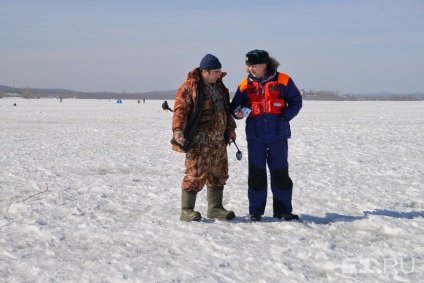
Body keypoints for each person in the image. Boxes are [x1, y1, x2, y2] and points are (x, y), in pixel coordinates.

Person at [230, 49, 302, 222]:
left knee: (280, 172)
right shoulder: (244, 85)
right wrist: (237, 113)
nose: (251, 69)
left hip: (278, 135)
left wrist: (284, 118)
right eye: (249, 66)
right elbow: (234, 107)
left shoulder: (283, 80)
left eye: (254, 65)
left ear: (264, 64)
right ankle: (255, 211)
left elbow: (296, 101)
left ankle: (283, 210)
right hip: (255, 137)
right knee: (256, 173)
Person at [171, 54, 237, 222]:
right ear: (204, 72)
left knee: (218, 174)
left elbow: (225, 110)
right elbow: (180, 111)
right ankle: (186, 210)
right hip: (200, 141)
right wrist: (178, 131)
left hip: (219, 141)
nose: (219, 74)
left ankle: (215, 208)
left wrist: (230, 129)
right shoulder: (189, 87)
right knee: (195, 174)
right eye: (215, 71)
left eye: (220, 71)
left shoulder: (220, 87)